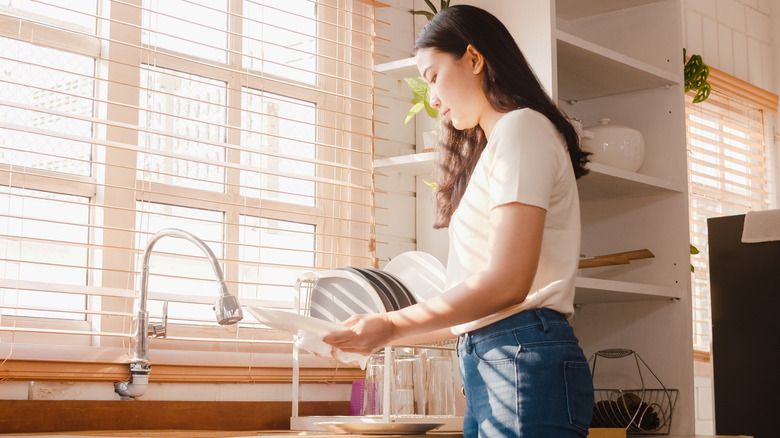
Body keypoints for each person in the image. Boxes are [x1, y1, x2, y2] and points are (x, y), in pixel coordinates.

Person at [324, 4, 594, 437]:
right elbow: (472, 307)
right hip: (496, 357)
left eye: (432, 76)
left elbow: (508, 284)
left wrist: (391, 324)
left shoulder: (522, 129)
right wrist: (380, 335)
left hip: (519, 354)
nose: (431, 99)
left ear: (473, 59)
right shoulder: (502, 144)